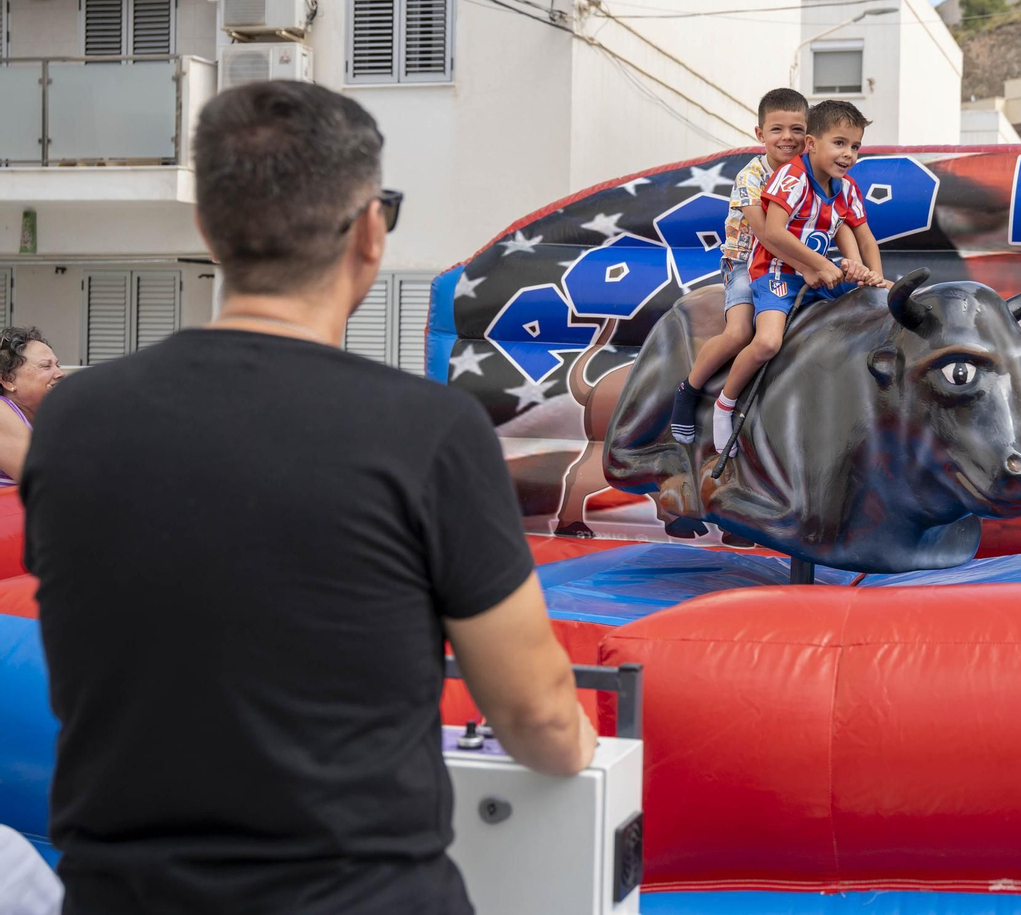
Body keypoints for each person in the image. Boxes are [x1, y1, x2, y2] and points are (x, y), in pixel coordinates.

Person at [23, 81, 595, 915]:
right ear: (370, 229)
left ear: (208, 230)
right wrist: (576, 742)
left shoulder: (75, 418)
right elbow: (536, 715)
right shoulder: (426, 432)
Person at [712, 100, 892, 453]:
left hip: (817, 274)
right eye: (839, 143)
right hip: (777, 271)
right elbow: (775, 233)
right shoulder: (791, 177)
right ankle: (725, 404)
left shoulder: (847, 188)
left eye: (855, 146)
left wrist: (874, 281)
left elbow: (864, 237)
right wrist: (822, 266)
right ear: (812, 144)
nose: (848, 154)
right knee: (766, 343)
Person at [671, 87, 809, 444]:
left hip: (791, 263)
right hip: (748, 263)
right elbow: (767, 235)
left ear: (808, 134)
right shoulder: (750, 178)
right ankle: (689, 390)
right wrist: (813, 266)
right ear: (760, 134)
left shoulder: (812, 172)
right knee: (739, 334)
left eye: (796, 129)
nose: (787, 138)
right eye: (777, 129)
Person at [0, 328, 63, 489]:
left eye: (57, 365)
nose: (59, 373)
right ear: (8, 380)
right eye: (45, 366)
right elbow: (46, 478)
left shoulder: (43, 417)